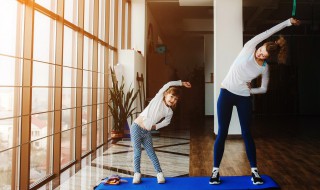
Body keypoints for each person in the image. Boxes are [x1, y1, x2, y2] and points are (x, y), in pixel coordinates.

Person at [209, 18, 300, 185]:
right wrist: (287, 22)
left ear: (267, 58)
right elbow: (268, 32)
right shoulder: (249, 47)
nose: (259, 54)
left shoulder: (264, 68)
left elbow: (264, 89)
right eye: (260, 50)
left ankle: (254, 172)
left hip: (243, 98)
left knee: (247, 134)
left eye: (263, 55)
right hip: (226, 93)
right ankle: (215, 172)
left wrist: (251, 90)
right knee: (222, 133)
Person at [130, 80, 192, 184]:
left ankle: (159, 174)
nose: (173, 100)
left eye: (176, 99)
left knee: (151, 153)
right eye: (171, 96)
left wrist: (155, 126)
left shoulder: (169, 112)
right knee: (137, 152)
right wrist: (181, 83)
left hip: (146, 132)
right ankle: (137, 174)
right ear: (165, 94)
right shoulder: (157, 99)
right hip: (136, 127)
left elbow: (166, 122)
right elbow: (168, 84)